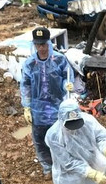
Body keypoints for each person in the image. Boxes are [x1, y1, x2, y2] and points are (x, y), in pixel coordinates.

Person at [20, 27, 73, 176]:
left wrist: (66, 85)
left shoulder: (59, 59)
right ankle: (47, 167)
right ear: (34, 45)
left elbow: (67, 77)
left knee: (59, 138)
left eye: (44, 44)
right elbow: (25, 85)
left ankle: (62, 165)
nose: (41, 48)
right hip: (38, 110)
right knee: (40, 140)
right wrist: (27, 107)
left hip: (57, 108)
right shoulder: (29, 64)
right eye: (38, 45)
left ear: (49, 43)